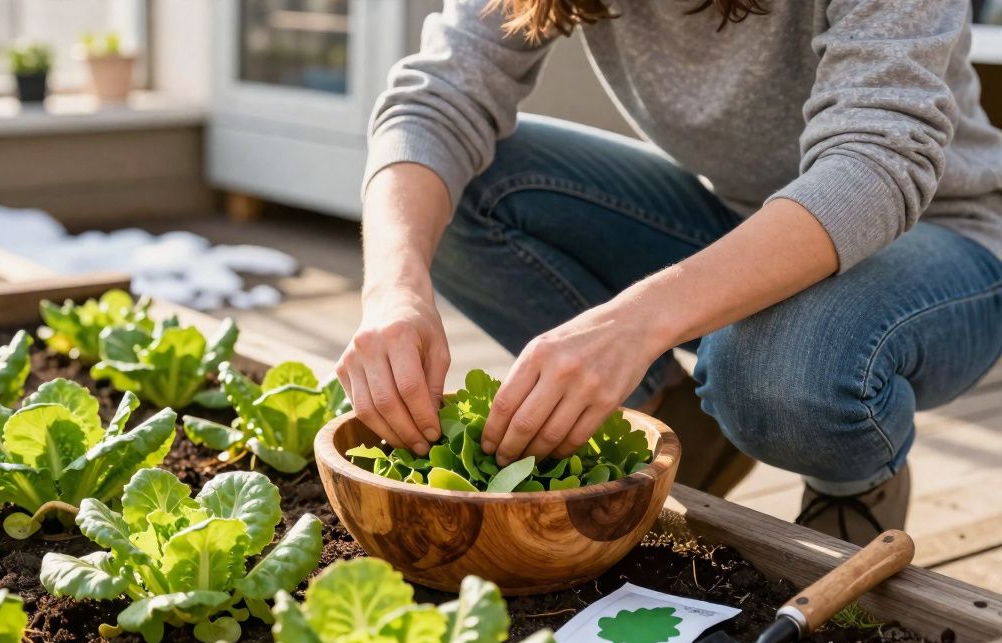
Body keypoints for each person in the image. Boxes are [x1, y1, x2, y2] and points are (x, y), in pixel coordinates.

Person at [338, 0, 1002, 544]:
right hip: (739, 217)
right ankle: (679, 430)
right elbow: (436, 100)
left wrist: (635, 324)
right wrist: (392, 291)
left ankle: (854, 486)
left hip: (942, 238)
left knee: (767, 367)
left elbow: (875, 164)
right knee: (455, 194)